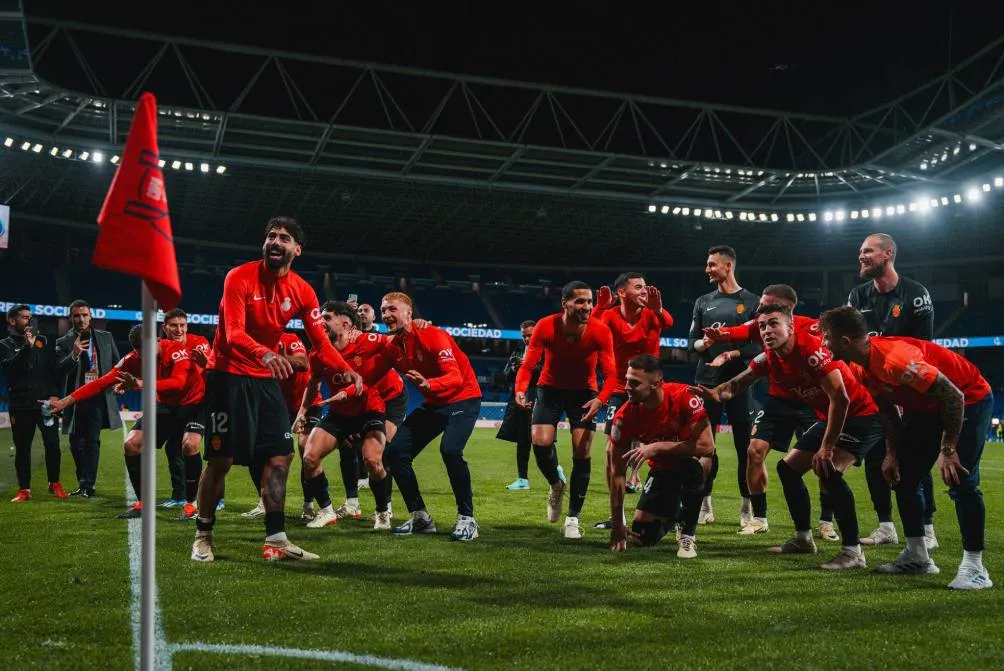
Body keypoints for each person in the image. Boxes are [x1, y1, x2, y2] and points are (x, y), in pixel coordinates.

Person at [191, 217, 359, 563]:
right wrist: (266, 353)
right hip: (227, 374)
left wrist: (346, 369)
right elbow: (233, 333)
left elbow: (321, 344)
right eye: (270, 236)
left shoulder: (302, 290)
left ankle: (276, 539)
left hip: (265, 378)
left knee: (281, 456)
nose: (275, 242)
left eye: (284, 238)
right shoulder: (238, 276)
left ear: (297, 249)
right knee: (220, 459)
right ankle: (203, 535)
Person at [690, 304, 882, 570]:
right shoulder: (770, 355)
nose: (767, 330)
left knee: (828, 470)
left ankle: (853, 552)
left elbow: (841, 398)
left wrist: (826, 447)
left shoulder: (811, 351)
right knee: (788, 469)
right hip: (832, 416)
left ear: (790, 327)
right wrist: (716, 393)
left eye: (773, 324)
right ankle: (804, 539)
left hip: (862, 415)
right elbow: (740, 382)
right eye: (762, 326)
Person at [820, 306, 993, 589]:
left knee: (961, 480)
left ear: (845, 341)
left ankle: (975, 567)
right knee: (903, 476)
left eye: (826, 337)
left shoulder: (894, 360)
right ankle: (917, 557)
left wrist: (948, 449)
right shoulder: (859, 366)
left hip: (969, 400)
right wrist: (891, 454)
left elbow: (954, 395)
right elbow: (888, 414)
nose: (823, 345)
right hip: (926, 407)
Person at [702, 284, 837, 541]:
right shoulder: (764, 325)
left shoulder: (812, 332)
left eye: (765, 304)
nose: (759, 309)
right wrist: (720, 335)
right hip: (779, 399)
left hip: (811, 401)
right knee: (754, 452)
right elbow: (744, 333)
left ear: (787, 309)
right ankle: (760, 518)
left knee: (823, 461)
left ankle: (826, 522)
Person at [48, 325, 202, 519]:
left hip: (194, 404)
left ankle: (192, 504)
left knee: (190, 445)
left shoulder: (176, 351)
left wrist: (139, 383)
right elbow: (101, 383)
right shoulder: (130, 360)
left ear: (156, 340)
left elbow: (178, 382)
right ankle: (143, 503)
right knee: (131, 444)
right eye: (141, 354)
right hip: (165, 406)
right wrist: (65, 401)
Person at [848, 233, 938, 549]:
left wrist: (904, 392)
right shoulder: (857, 297)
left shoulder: (915, 295)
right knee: (875, 458)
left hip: (911, 388)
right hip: (875, 389)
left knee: (914, 458)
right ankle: (886, 525)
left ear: (888, 254)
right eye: (860, 251)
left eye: (868, 251)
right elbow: (855, 345)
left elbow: (924, 350)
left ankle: (927, 529)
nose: (861, 256)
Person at [376, 292, 482, 541]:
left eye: (392, 309)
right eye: (383, 310)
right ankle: (420, 517)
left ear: (409, 313)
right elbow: (372, 368)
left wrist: (429, 385)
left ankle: (467, 519)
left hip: (463, 398)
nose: (386, 315)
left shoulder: (433, 335)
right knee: (395, 452)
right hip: (434, 402)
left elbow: (455, 377)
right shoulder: (393, 346)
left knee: (450, 451)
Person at [516, 281, 617, 539]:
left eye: (590, 302)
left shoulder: (600, 331)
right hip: (549, 389)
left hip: (584, 394)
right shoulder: (546, 326)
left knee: (581, 452)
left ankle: (572, 518)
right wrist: (521, 388)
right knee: (540, 442)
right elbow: (528, 365)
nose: (587, 307)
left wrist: (601, 400)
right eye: (580, 302)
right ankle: (556, 484)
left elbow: (611, 374)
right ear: (565, 303)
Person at [295, 300, 406, 530]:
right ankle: (326, 511)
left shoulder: (367, 341)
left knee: (373, 460)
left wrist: (417, 325)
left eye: (326, 318)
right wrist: (302, 412)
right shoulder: (317, 353)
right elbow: (313, 384)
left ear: (345, 324)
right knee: (309, 457)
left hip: (370, 409)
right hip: (340, 414)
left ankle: (383, 511)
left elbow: (397, 339)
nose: (320, 322)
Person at [607, 354, 714, 558]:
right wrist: (618, 523)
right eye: (627, 380)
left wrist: (656, 447)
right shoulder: (625, 416)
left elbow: (707, 446)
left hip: (691, 462)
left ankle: (688, 535)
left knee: (694, 466)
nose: (627, 387)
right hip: (661, 470)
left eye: (635, 383)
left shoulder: (684, 396)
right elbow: (617, 473)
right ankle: (677, 515)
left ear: (656, 384)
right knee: (642, 537)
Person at [593, 272, 674, 527]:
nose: (644, 291)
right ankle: (618, 515)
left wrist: (659, 309)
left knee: (669, 451)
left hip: (653, 391)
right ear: (622, 293)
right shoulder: (610, 316)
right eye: (638, 287)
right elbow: (591, 330)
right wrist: (599, 307)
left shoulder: (651, 313)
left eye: (645, 286)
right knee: (610, 450)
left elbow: (669, 322)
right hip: (621, 389)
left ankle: (672, 511)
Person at [688, 246, 760, 526]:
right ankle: (705, 504)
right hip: (706, 382)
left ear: (728, 266)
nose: (707, 269)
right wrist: (703, 344)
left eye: (712, 264)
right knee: (705, 446)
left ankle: (746, 508)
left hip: (741, 382)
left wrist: (732, 354)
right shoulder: (703, 301)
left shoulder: (752, 302)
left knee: (746, 448)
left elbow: (758, 344)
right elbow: (691, 341)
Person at [54, 299, 122, 497]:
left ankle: (88, 484)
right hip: (74, 398)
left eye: (84, 315)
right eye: (77, 315)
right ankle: (82, 481)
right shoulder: (63, 342)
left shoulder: (106, 337)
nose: (81, 319)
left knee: (92, 440)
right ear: (71, 318)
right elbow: (58, 371)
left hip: (98, 397)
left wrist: (119, 382)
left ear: (91, 316)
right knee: (75, 442)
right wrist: (74, 354)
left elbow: (118, 365)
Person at [1, 305, 64, 501]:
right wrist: (27, 347)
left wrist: (54, 394)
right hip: (20, 405)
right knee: (22, 447)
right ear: (12, 321)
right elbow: (11, 369)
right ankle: (24, 489)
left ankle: (54, 483)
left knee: (53, 443)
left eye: (30, 317)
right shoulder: (4, 345)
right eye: (24, 317)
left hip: (45, 403)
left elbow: (52, 370)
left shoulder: (43, 341)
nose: (29, 321)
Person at [497, 320, 564, 491]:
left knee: (544, 440)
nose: (527, 339)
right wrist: (514, 368)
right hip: (519, 401)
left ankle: (557, 470)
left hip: (540, 399)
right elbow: (506, 375)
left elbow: (547, 374)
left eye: (530, 335)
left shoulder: (547, 350)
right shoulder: (518, 351)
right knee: (522, 441)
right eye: (524, 336)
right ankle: (522, 480)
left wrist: (528, 367)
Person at [160, 307, 211, 515]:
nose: (179, 329)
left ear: (187, 326)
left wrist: (205, 363)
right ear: (165, 328)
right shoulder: (161, 347)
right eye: (174, 326)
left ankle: (205, 497)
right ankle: (179, 495)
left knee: (192, 446)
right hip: (175, 405)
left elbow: (213, 369)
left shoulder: (199, 343)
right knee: (173, 448)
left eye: (182, 325)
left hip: (199, 403)